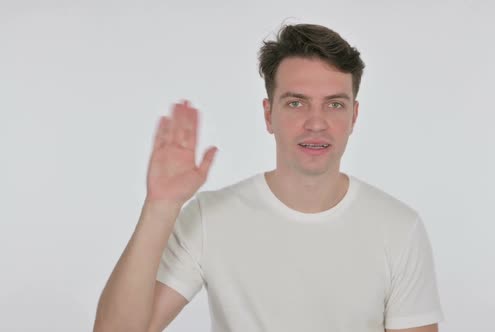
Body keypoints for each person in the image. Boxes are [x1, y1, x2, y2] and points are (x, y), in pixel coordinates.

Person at [93, 23, 444, 332]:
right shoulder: (209, 218)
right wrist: (161, 206)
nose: (316, 122)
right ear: (268, 114)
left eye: (334, 104)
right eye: (296, 103)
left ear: (354, 116)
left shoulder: (398, 228)